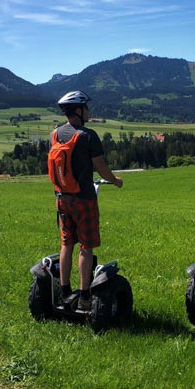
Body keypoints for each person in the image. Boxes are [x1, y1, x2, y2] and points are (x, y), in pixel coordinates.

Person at [48, 90, 122, 307]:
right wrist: (115, 180)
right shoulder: (88, 136)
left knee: (66, 244)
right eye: (86, 107)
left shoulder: (54, 135)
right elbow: (101, 169)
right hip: (84, 199)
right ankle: (85, 297)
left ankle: (63, 292)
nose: (89, 111)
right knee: (86, 248)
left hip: (62, 198)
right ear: (78, 110)